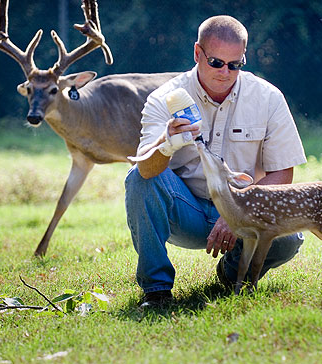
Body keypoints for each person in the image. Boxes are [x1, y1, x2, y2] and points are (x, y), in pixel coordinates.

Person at [125, 15, 307, 308]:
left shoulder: (268, 97)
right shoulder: (165, 98)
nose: (225, 72)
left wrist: (240, 211)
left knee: (290, 237)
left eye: (235, 65)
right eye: (216, 63)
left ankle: (233, 272)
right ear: (198, 53)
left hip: (243, 211)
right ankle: (156, 291)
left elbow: (283, 172)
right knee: (137, 178)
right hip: (187, 211)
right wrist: (167, 142)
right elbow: (145, 169)